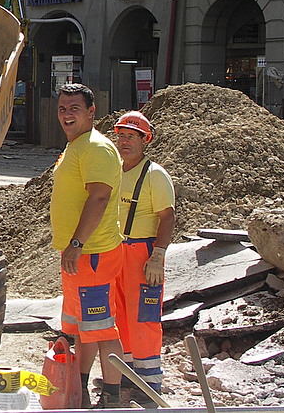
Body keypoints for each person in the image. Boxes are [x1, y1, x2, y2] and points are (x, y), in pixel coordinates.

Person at [50, 83, 125, 408]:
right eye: (63, 108)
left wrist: (77, 242)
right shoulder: (77, 146)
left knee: (102, 329)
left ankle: (111, 395)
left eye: (74, 108)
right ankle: (79, 388)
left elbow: (99, 196)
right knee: (84, 329)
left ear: (92, 112)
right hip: (79, 257)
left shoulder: (96, 147)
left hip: (92, 254)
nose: (67, 114)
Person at [113, 111, 175, 403]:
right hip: (117, 252)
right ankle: (126, 375)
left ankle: (150, 383)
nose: (125, 141)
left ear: (144, 140)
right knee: (120, 316)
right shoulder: (115, 170)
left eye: (131, 136)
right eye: (121, 135)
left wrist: (157, 257)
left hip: (143, 253)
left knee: (144, 318)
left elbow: (167, 217)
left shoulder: (155, 175)